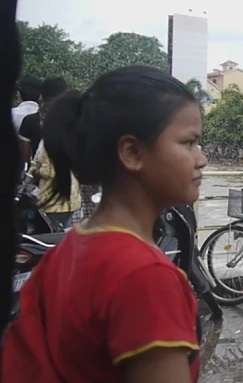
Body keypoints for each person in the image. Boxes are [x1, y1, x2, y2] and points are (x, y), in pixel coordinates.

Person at [2, 66, 204, 382]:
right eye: (189, 143)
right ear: (132, 152)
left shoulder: (67, 248)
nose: (201, 158)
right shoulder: (147, 278)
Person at [32, 98, 81, 228]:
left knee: (54, 234)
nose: (41, 124)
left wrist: (35, 171)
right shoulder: (69, 138)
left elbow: (50, 171)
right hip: (70, 198)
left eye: (43, 120)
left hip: (55, 201)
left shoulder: (52, 141)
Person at [18, 77, 67, 165]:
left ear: (41, 97)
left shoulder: (30, 121)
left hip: (38, 173)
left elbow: (25, 156)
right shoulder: (73, 121)